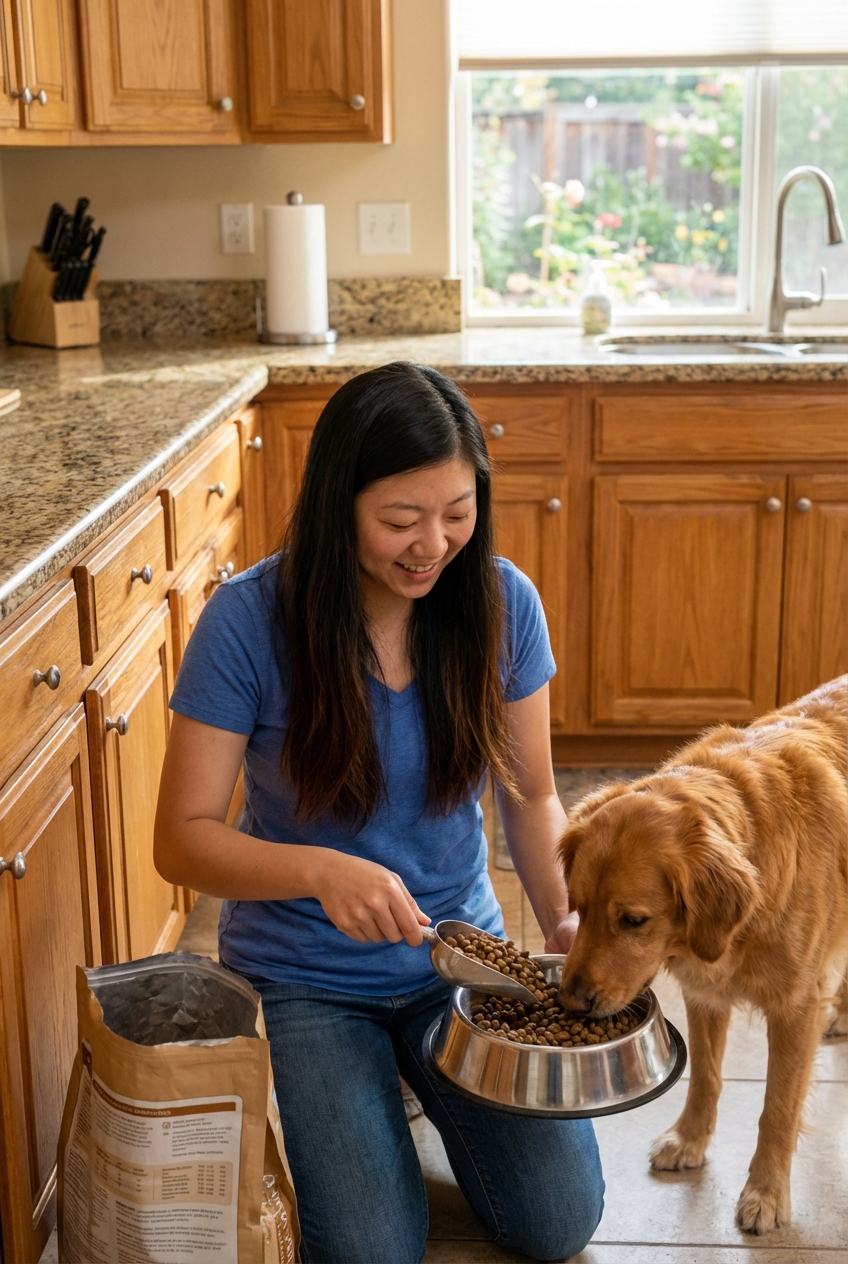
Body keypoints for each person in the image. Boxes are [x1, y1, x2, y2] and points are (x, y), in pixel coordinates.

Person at [155, 362, 604, 1264]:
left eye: (457, 513)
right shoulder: (248, 621)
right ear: (338, 504)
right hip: (307, 978)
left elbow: (532, 793)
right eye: (400, 519)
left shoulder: (501, 602)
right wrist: (320, 871)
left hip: (461, 962)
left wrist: (564, 919)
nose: (431, 544)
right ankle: (365, 1094)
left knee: (558, 1221)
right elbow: (181, 840)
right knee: (370, 1250)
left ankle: (409, 1088)